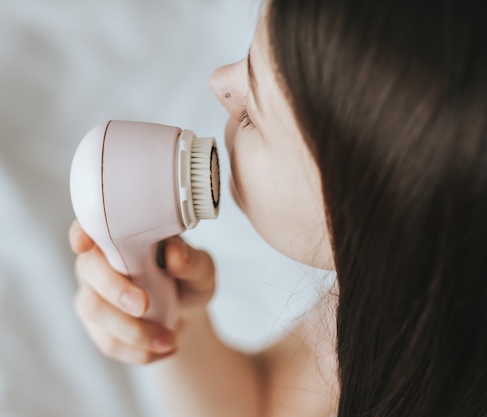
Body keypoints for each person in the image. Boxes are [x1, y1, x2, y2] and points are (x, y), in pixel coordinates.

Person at [69, 0, 487, 416]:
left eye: (251, 114)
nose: (219, 83)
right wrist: (181, 325)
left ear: (369, 212)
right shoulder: (382, 315)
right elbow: (262, 405)